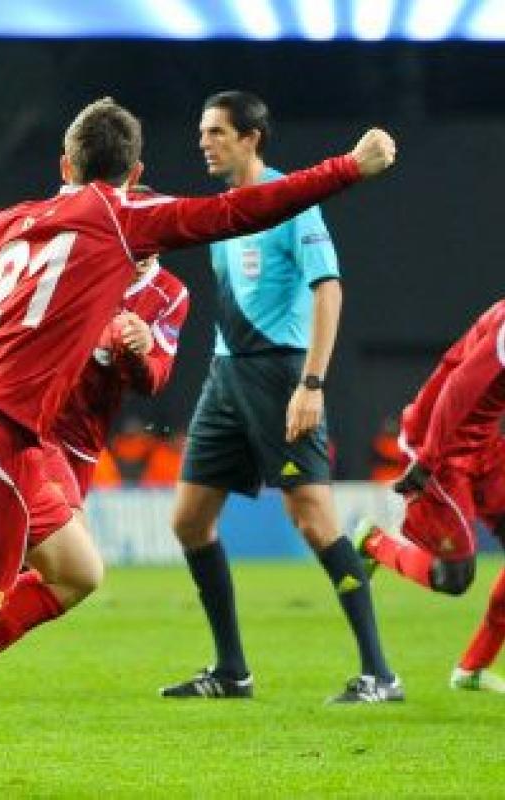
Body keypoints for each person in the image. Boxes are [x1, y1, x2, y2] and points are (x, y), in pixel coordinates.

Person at [0, 95, 397, 798]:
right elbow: (242, 211)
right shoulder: (121, 219)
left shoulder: (10, 221)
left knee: (77, 569)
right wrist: (348, 167)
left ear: (65, 164)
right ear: (134, 175)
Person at [0, 254, 190, 765]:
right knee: (73, 571)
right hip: (32, 429)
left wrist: (138, 351)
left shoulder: (170, 293)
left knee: (31, 575)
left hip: (81, 450)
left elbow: (153, 379)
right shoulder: (82, 258)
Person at [160, 91, 401, 704]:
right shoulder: (224, 212)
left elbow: (329, 290)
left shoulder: (292, 202)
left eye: (217, 132)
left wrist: (311, 385)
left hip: (280, 375)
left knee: (313, 520)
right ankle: (232, 670)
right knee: (189, 521)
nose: (204, 143)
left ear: (251, 138)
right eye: (202, 131)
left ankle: (380, 674)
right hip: (225, 376)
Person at [354, 298, 505, 692]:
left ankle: (471, 669)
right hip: (438, 442)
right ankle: (374, 542)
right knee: (455, 578)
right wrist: (427, 459)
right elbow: (459, 389)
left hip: (483, 439)